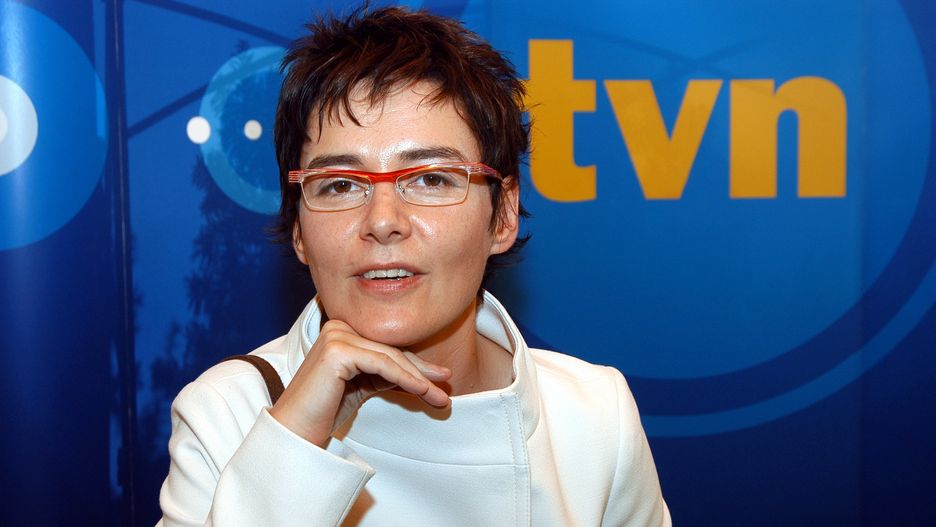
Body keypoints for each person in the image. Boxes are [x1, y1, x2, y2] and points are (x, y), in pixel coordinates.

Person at [158, 5, 670, 526]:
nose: (383, 221)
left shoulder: (593, 417)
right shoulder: (227, 415)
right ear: (298, 230)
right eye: (340, 184)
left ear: (503, 215)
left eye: (431, 179)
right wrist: (293, 443)